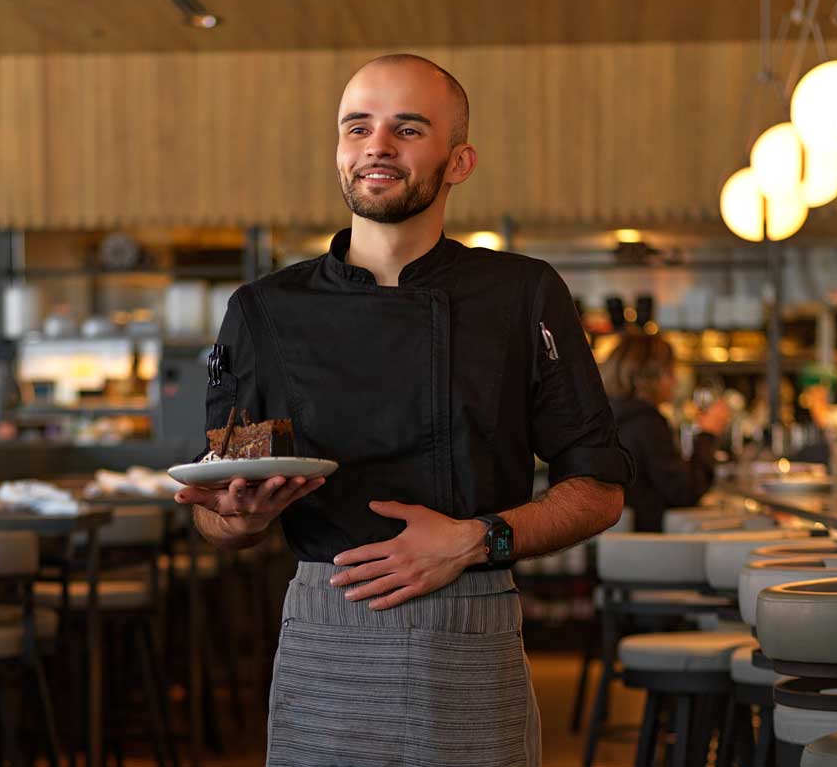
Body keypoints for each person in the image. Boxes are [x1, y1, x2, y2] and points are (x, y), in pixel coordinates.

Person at [174, 54, 633, 767]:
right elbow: (215, 515)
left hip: (472, 629)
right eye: (357, 127)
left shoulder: (523, 295)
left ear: (459, 161)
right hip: (325, 631)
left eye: (407, 128)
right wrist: (240, 515)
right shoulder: (263, 311)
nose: (376, 145)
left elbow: (599, 491)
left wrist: (473, 540)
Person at [600, 332, 731, 532]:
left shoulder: (607, 416)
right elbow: (684, 491)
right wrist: (709, 434)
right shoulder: (646, 423)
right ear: (650, 377)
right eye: (670, 372)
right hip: (647, 545)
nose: (676, 382)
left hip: (612, 543)